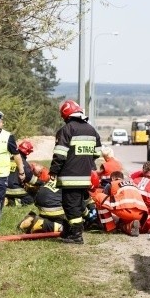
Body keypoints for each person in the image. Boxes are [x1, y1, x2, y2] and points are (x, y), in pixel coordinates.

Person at [49, 99, 102, 244]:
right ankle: (75, 231)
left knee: (70, 206)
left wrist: (53, 170)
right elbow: (97, 153)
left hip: (69, 177)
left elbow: (60, 154)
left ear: (66, 115)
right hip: (85, 177)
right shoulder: (92, 130)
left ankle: (76, 235)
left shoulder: (66, 130)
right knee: (78, 204)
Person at [106, 171, 147, 236]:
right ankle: (131, 226)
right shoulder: (133, 184)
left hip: (126, 211)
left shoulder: (112, 184)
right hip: (140, 213)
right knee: (123, 223)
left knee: (100, 198)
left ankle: (109, 227)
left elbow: (105, 200)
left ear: (113, 178)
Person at [5, 140, 36, 206]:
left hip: (4, 189)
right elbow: (30, 178)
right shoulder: (23, 163)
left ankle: (7, 198)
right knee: (31, 198)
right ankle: (12, 202)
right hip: (15, 189)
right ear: (28, 152)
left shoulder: (8, 159)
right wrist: (41, 182)